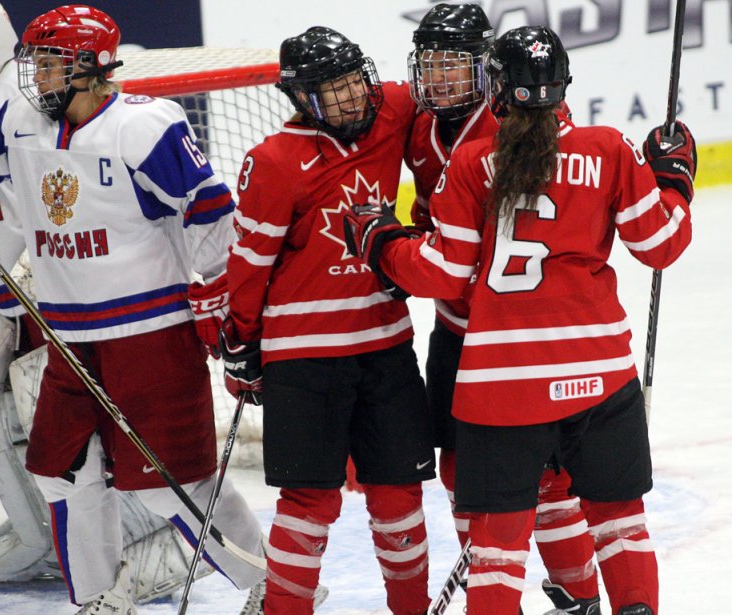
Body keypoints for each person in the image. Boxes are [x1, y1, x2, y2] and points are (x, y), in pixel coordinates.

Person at [0, 5, 269, 613]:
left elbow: (208, 209)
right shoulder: (21, 122)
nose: (38, 75)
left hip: (149, 334)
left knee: (172, 486)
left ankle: (269, 584)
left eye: (53, 64)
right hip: (70, 336)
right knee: (62, 473)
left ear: (92, 67)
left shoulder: (146, 125)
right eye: (37, 63)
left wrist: (221, 298)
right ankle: (103, 596)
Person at [344, 25, 695, 615]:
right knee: (621, 525)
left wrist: (382, 241)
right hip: (600, 375)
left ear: (497, 89)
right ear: (563, 88)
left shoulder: (472, 162)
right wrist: (673, 180)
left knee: (498, 550)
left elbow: (441, 276)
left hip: (501, 385)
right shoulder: (608, 149)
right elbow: (660, 243)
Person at [221, 26, 434, 615]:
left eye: (352, 84)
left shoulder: (390, 107)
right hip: (304, 356)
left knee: (398, 493)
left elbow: (455, 100)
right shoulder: (273, 161)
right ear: (299, 98)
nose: (349, 99)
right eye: (331, 91)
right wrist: (240, 339)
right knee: (310, 501)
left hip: (385, 342)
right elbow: (249, 263)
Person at [406, 5, 601, 613]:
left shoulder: (515, 127)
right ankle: (495, 594)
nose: (440, 80)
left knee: (547, 481)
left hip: (516, 338)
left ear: (486, 71)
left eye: (454, 66)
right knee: (460, 476)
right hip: (454, 331)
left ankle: (580, 590)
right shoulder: (418, 128)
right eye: (430, 66)